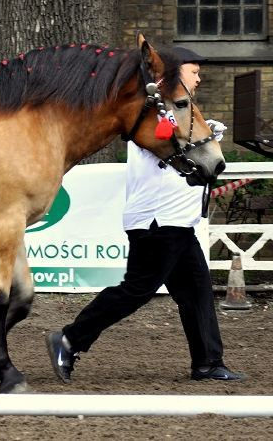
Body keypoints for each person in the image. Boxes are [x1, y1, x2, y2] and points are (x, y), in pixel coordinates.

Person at [45, 46, 242, 383]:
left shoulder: (176, 112)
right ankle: (70, 339)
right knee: (138, 289)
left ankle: (208, 362)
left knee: (195, 290)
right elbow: (166, 144)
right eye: (194, 71)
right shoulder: (154, 112)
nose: (199, 77)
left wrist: (203, 133)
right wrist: (202, 137)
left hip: (176, 222)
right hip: (157, 221)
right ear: (176, 73)